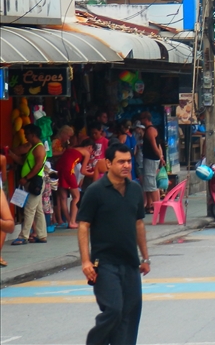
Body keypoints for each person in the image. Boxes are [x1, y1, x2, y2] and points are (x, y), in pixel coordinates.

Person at [79, 142, 150, 345]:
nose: (126, 165)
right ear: (108, 163)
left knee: (130, 315)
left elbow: (139, 224)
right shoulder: (95, 191)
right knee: (113, 309)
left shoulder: (135, 189)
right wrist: (85, 261)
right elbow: (83, 225)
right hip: (105, 264)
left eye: (128, 161)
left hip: (130, 263)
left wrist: (145, 258)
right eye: (121, 162)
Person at [10, 124, 48, 245]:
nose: (26, 137)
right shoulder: (33, 147)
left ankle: (23, 236)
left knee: (29, 209)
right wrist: (11, 155)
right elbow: (23, 162)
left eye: (27, 134)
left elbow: (38, 165)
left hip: (34, 181)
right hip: (32, 181)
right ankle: (42, 235)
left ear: (33, 135)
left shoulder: (39, 148)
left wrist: (26, 178)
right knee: (38, 210)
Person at [56, 139, 92, 229]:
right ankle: (72, 221)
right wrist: (94, 173)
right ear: (90, 147)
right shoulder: (86, 153)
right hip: (68, 171)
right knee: (76, 196)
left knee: (63, 198)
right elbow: (83, 171)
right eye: (92, 150)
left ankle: (69, 221)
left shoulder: (73, 149)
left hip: (59, 170)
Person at [140, 112, 164, 214]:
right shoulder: (153, 129)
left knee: (151, 183)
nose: (140, 121)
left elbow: (155, 146)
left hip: (151, 159)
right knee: (149, 184)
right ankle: (150, 205)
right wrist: (161, 156)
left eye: (142, 118)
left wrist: (160, 157)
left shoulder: (150, 130)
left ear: (146, 119)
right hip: (152, 159)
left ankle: (156, 206)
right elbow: (159, 146)